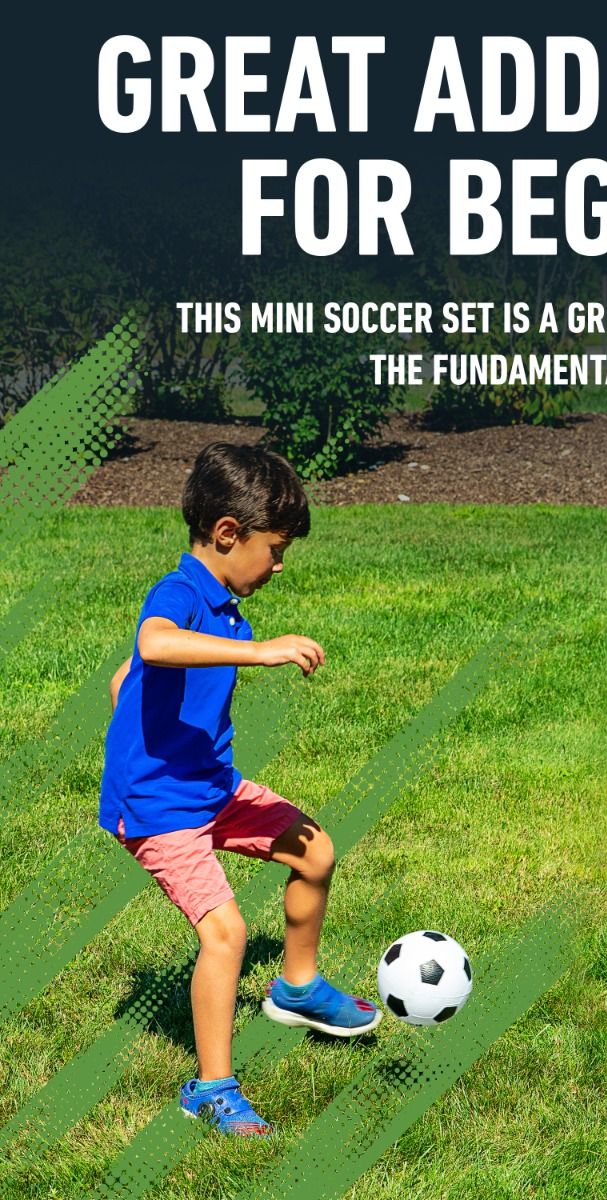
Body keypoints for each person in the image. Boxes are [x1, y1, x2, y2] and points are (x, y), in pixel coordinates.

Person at [100, 442, 379, 1138]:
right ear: (227, 533)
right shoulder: (183, 591)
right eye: (275, 549)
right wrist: (261, 651)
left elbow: (129, 676)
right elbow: (157, 643)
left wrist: (131, 706)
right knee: (225, 933)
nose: (279, 565)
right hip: (161, 809)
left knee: (314, 852)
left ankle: (297, 987)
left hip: (213, 786)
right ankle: (211, 1088)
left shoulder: (225, 604)